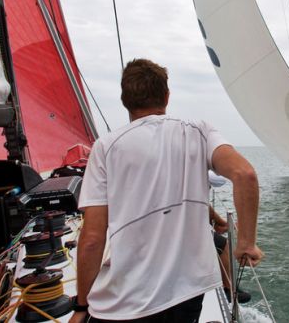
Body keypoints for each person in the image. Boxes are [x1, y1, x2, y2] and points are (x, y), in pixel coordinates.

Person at [70, 59, 263, 323]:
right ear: (167, 96)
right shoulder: (199, 131)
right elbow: (246, 175)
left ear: (125, 100)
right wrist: (246, 244)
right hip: (188, 293)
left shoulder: (105, 148)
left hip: (127, 302)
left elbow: (92, 238)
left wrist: (82, 306)